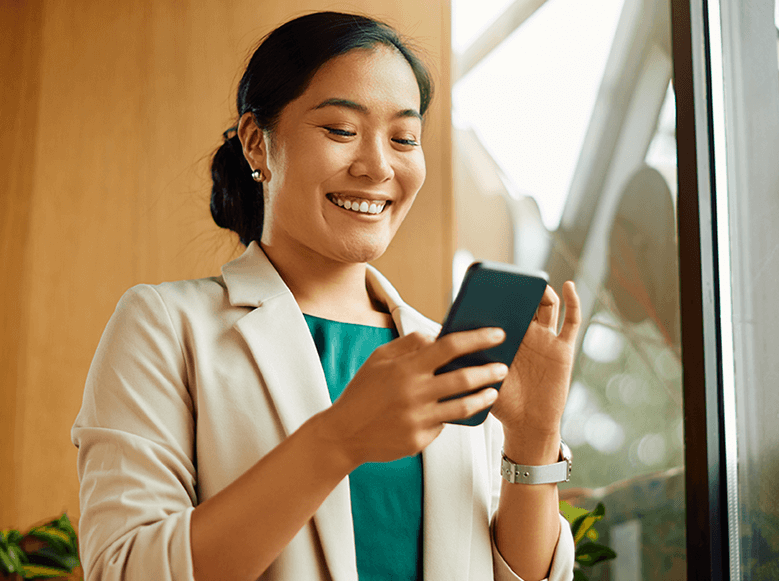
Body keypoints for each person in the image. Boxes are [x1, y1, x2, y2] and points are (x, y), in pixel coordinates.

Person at [72, 11, 580, 581]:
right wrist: (338, 440)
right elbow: (125, 570)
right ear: (257, 144)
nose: (378, 166)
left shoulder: (445, 354)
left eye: (404, 138)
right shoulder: (165, 325)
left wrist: (533, 441)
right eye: (341, 130)